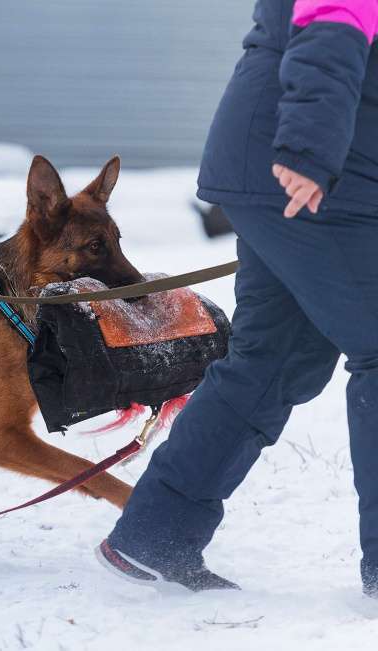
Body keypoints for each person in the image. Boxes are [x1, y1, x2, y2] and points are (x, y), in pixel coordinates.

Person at [95, 0, 378, 597]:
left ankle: (153, 538)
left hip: (290, 173)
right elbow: (331, 28)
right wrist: (307, 153)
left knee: (273, 361)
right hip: (308, 175)